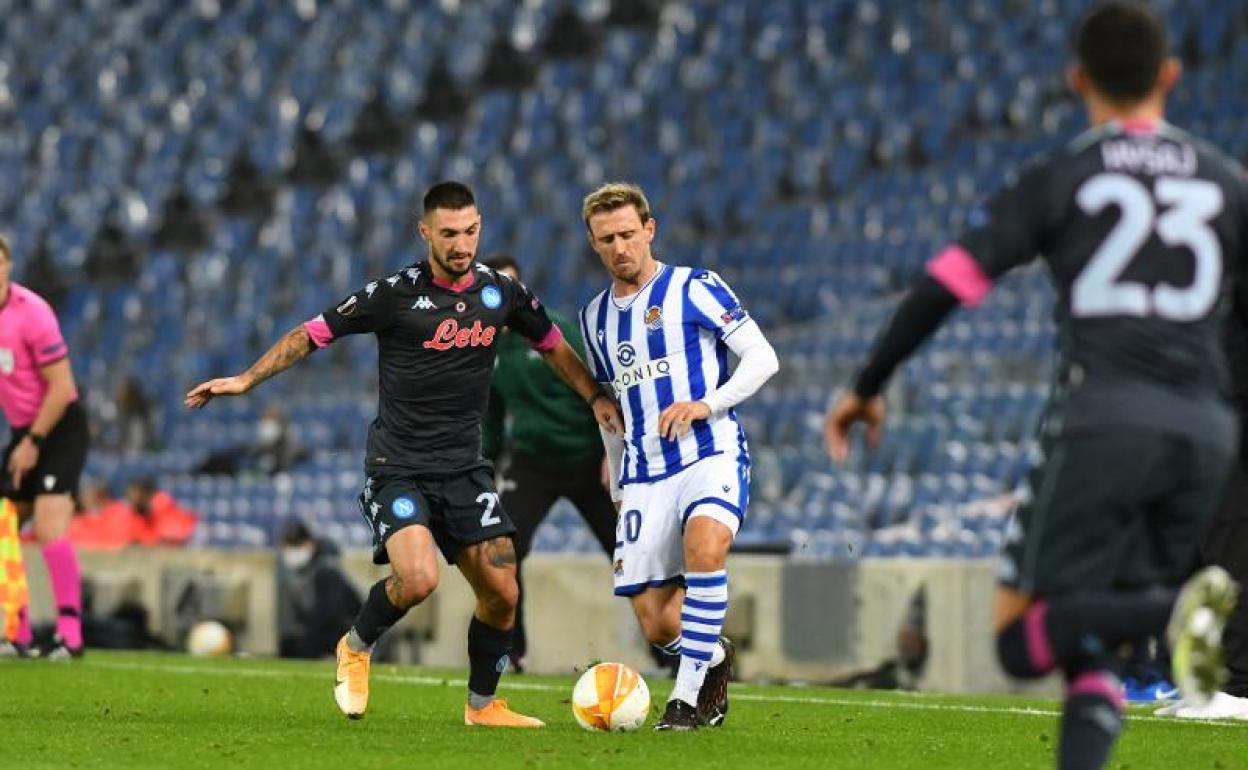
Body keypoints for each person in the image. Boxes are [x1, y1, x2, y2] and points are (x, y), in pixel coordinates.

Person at [824, 4, 1245, 768]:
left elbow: (946, 285)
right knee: (1095, 643)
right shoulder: (1227, 183)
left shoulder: (1064, 176)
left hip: (1103, 420)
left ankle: (1173, 613)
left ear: (1077, 79)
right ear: (1171, 77)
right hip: (1208, 433)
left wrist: (868, 383)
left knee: (1020, 638)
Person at [186, 181, 623, 727]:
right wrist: (247, 380)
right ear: (425, 232)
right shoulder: (393, 294)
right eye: (448, 234)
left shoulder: (500, 294)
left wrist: (595, 397)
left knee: (503, 593)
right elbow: (313, 333)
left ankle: (483, 705)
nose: (461, 244)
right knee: (418, 579)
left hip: (466, 470)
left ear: (479, 226)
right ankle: (356, 644)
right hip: (400, 467)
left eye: (469, 231)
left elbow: (554, 346)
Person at [578, 182, 780, 730]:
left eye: (627, 234)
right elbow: (610, 413)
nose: (620, 247)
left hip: (708, 452)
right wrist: (619, 487)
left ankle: (685, 701)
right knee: (656, 622)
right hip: (644, 474)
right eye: (606, 239)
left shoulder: (695, 287)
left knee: (706, 547)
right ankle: (711, 657)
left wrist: (706, 405)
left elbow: (763, 359)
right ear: (594, 245)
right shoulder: (594, 320)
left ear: (649, 229)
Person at [480, 254, 618, 672]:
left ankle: (667, 648)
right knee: (502, 548)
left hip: (587, 456)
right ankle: (509, 651)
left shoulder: (556, 331)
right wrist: (483, 468)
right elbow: (492, 416)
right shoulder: (482, 348)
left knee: (629, 552)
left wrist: (613, 453)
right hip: (531, 462)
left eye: (511, 289)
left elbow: (602, 389)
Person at [0, 233, 90, 660]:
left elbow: (62, 387)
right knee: (4, 525)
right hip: (23, 432)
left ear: (8, 265)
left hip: (59, 428)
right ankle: (16, 631)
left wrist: (33, 442)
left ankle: (69, 637)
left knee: (51, 526)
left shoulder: (32, 313)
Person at [276, 519, 363, 659]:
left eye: (298, 544)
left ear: (311, 545)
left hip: (350, 633)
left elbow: (329, 615)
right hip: (329, 633)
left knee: (293, 646)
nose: (293, 550)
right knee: (289, 644)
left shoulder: (327, 569)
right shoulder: (302, 572)